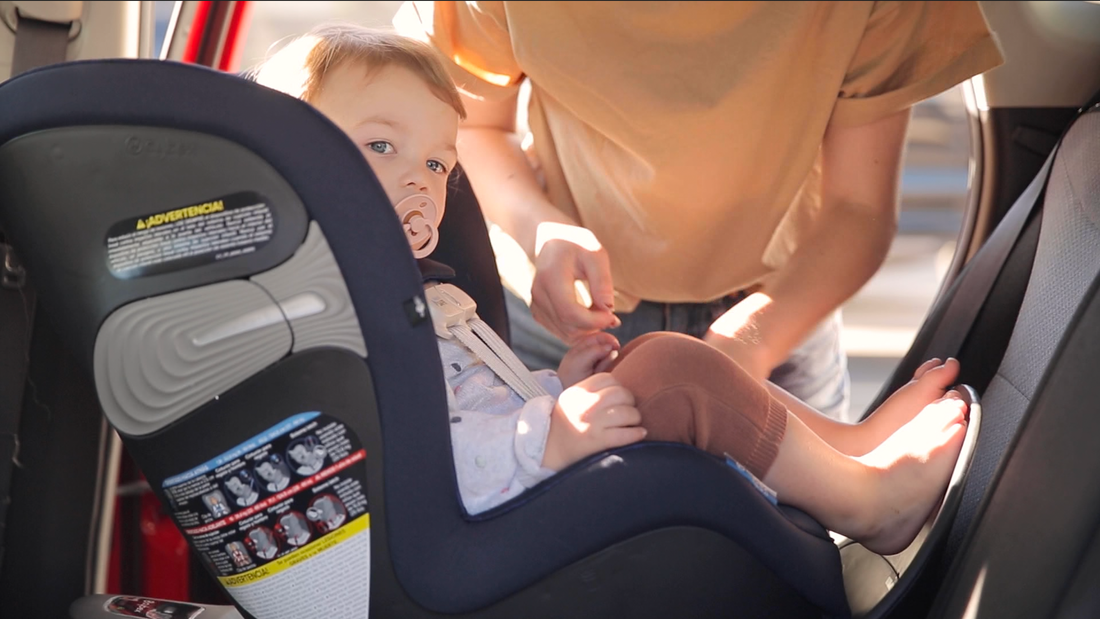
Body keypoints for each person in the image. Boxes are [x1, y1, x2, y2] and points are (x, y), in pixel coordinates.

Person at [251, 23, 968, 556]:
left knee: (654, 359)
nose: (419, 177)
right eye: (381, 146)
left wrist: (553, 389)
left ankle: (850, 448)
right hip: (493, 523)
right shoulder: (326, 320)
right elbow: (411, 461)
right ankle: (870, 506)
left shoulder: (412, 295)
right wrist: (550, 436)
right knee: (671, 370)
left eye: (439, 164)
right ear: (283, 167)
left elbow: (467, 401)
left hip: (526, 469)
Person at [392, 1, 1004, 423]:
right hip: (559, 316)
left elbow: (858, 210)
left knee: (798, 547)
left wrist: (751, 345)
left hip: (782, 312)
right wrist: (540, 229)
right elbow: (476, 126)